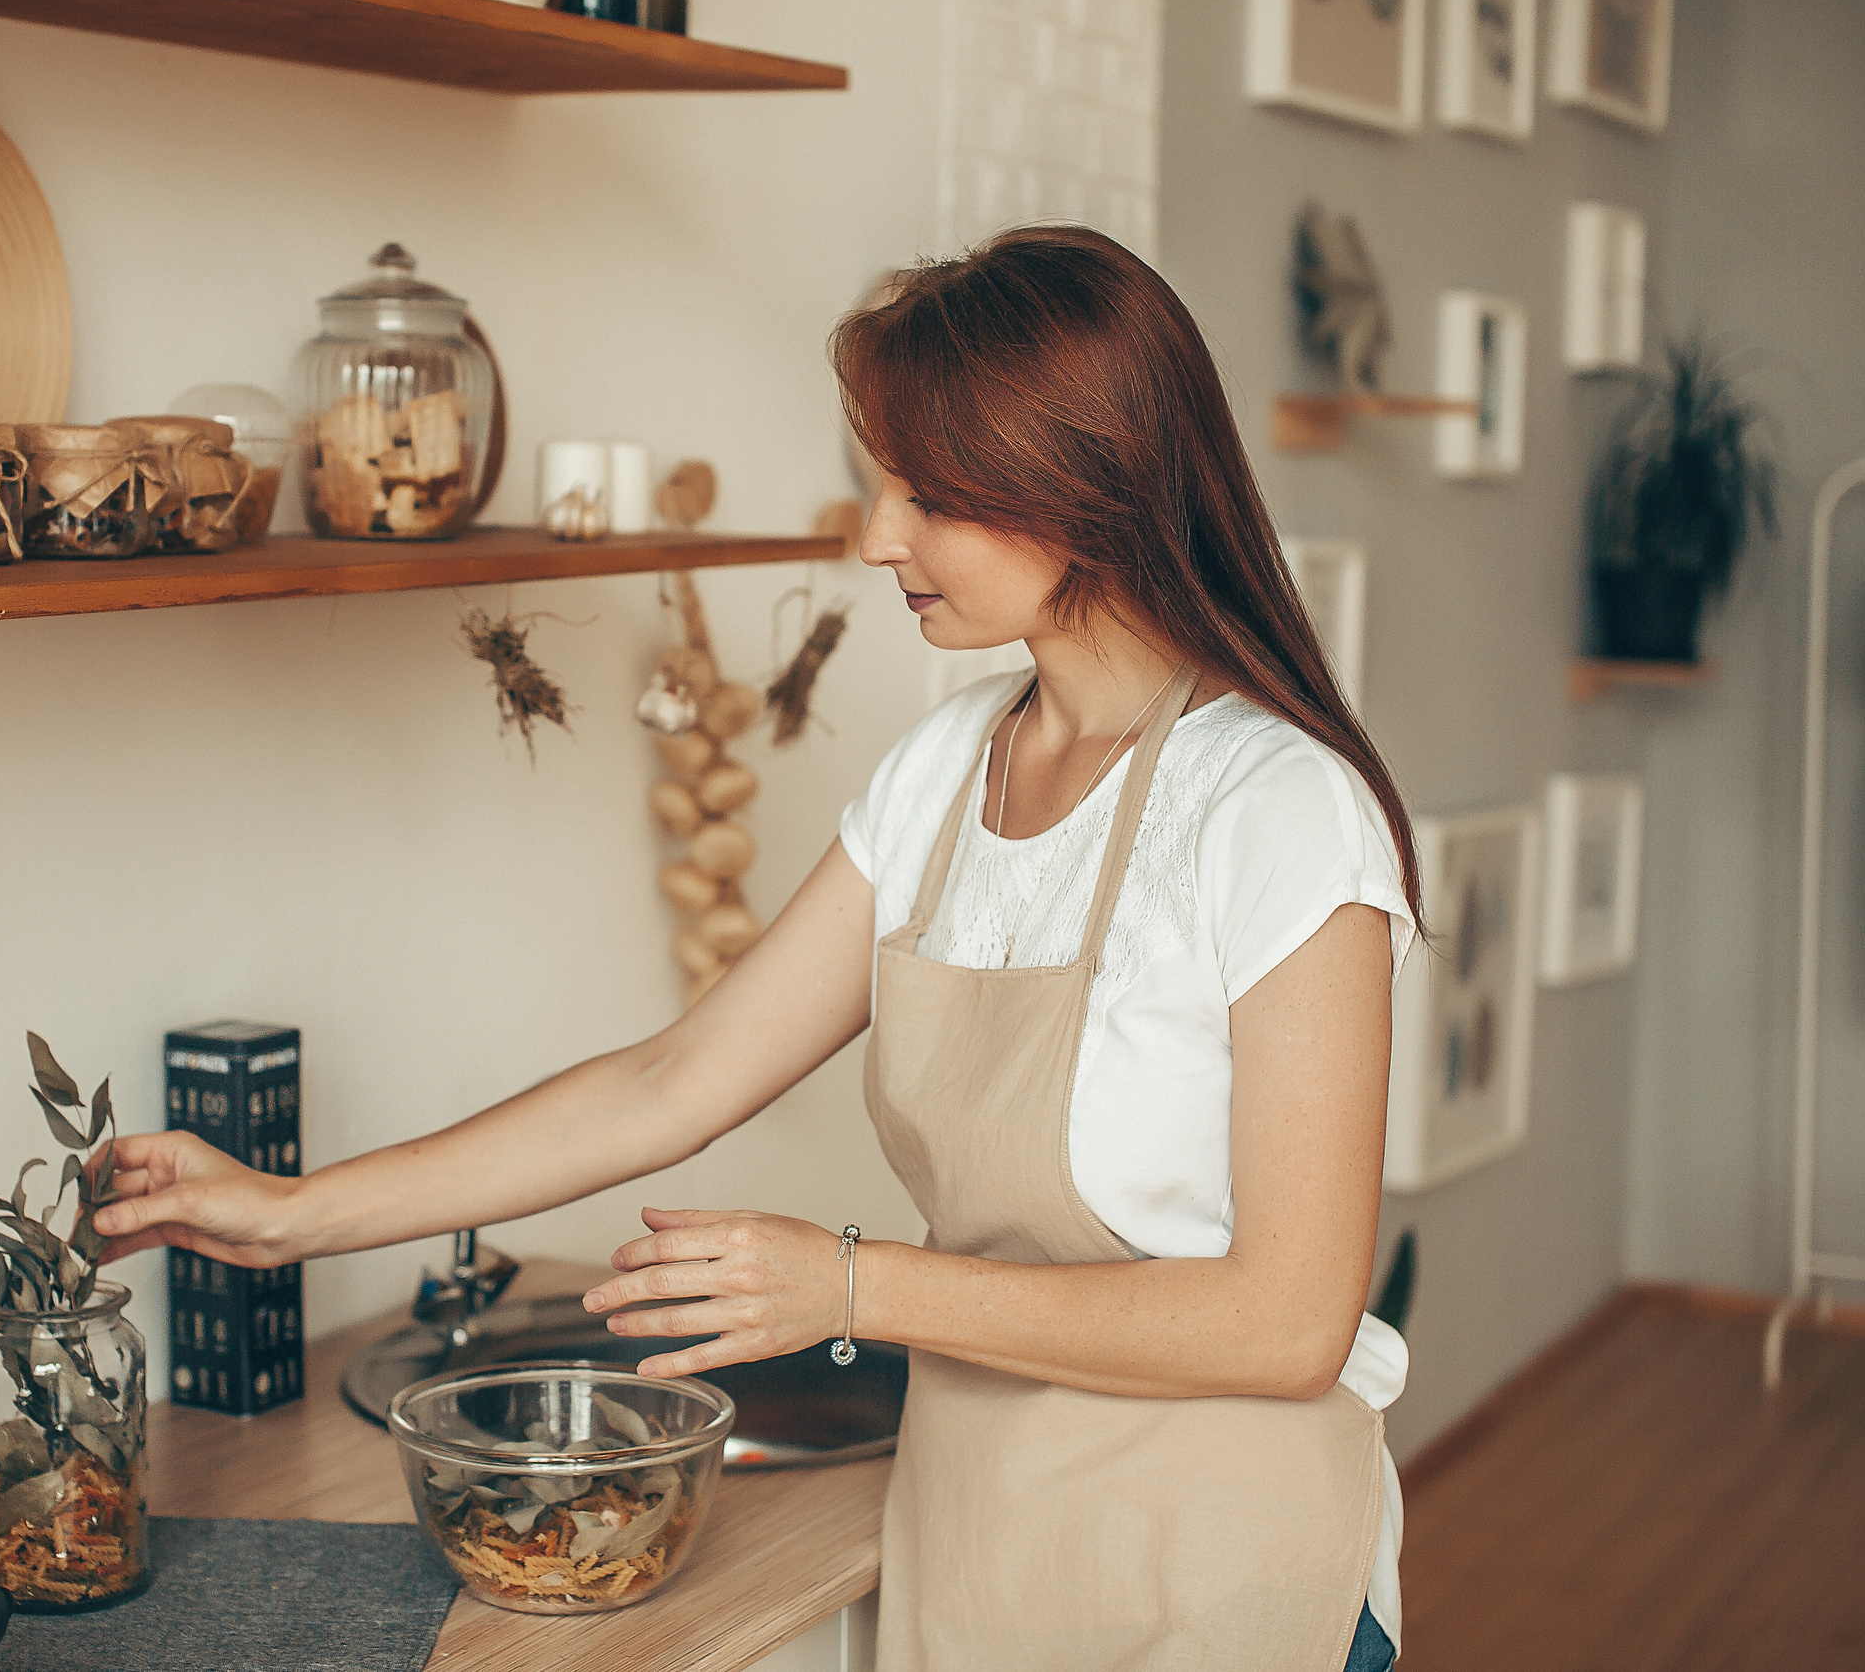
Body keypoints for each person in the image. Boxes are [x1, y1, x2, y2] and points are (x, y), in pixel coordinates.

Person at [97, 225, 1421, 1672]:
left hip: (1223, 1570)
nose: (877, 539)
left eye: (927, 496)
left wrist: (853, 1286)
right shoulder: (946, 771)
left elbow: (1288, 1321)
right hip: (981, 1545)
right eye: (882, 485)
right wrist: (292, 1215)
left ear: (1079, 483)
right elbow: (668, 1082)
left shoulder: (1277, 809)